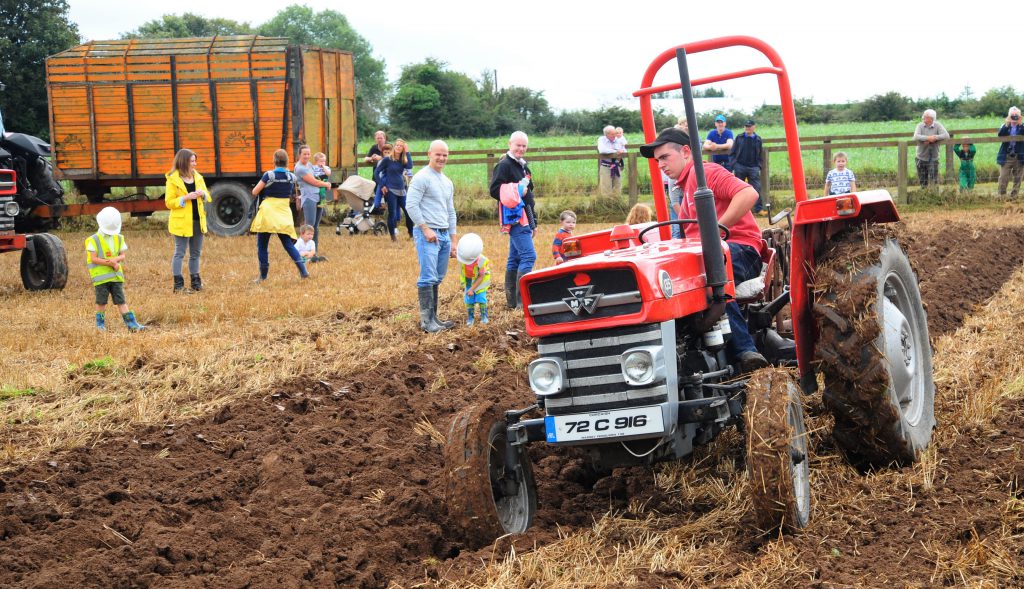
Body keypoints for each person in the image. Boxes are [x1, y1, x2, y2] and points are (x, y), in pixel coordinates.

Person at [640, 127, 769, 373]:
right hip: (713, 254)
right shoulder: (683, 187)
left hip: (740, 248)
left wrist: (717, 230)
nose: (660, 166)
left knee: (712, 274)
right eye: (657, 161)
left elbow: (748, 192)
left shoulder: (706, 173)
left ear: (686, 152)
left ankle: (745, 352)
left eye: (665, 157)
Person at [407, 140, 458, 333]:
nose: (442, 158)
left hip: (444, 235)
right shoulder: (421, 178)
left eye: (445, 155)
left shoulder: (446, 182)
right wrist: (425, 228)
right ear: (429, 154)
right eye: (438, 154)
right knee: (427, 277)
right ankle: (427, 321)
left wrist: (454, 240)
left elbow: (451, 211)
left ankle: (434, 318)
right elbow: (411, 205)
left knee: (438, 277)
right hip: (428, 234)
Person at [489, 131, 537, 309]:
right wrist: (516, 190)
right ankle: (521, 303)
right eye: (518, 145)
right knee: (529, 256)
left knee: (515, 258)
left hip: (526, 216)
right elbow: (494, 190)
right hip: (515, 217)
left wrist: (534, 222)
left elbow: (529, 195)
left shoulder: (523, 166)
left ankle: (512, 302)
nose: (521, 149)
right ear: (510, 144)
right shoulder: (504, 165)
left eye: (524, 146)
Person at [251, 149, 308, 282]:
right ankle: (303, 270)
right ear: (286, 161)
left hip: (268, 212)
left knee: (262, 245)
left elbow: (255, 192)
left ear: (274, 161)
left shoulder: (268, 175)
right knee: (288, 244)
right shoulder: (291, 177)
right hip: (283, 212)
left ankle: (263, 276)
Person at [86, 207, 145, 332]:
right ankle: (100, 325)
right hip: (101, 279)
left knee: (121, 300)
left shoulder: (119, 238)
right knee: (101, 302)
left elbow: (123, 255)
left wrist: (115, 260)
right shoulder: (93, 240)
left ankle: (132, 324)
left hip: (116, 277)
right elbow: (93, 259)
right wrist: (111, 263)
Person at [164, 148, 210, 293]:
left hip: (198, 221)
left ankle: (196, 283)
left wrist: (202, 194)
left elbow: (208, 195)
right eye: (192, 161)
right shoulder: (173, 179)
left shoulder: (198, 177)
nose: (195, 164)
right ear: (184, 162)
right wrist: (184, 198)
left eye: (195, 160)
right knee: (180, 253)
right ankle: (178, 285)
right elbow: (169, 202)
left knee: (196, 253)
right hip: (182, 222)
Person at [293, 145, 332, 262]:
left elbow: (320, 175)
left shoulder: (310, 165)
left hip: (318, 197)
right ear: (299, 154)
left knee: (315, 227)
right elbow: (313, 181)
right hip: (309, 198)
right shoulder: (300, 168)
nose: (307, 156)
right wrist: (326, 184)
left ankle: (313, 254)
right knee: (309, 227)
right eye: (304, 154)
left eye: (308, 154)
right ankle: (303, 255)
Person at [379, 138, 415, 241]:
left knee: (408, 212)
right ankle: (393, 237)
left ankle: (411, 234)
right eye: (397, 145)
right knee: (393, 214)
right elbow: (377, 172)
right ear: (394, 147)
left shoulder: (403, 160)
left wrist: (407, 152)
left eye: (401, 146)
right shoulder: (387, 160)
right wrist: (382, 185)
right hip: (390, 190)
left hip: (401, 189)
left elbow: (410, 166)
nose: (399, 147)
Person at [731, 119, 765, 214]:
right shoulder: (739, 138)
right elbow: (733, 152)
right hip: (740, 167)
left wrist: (759, 166)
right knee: (739, 190)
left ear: (754, 127)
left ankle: (758, 210)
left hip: (753, 167)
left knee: (756, 188)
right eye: (746, 126)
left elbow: (760, 154)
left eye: (749, 126)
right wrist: (734, 165)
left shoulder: (758, 139)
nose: (747, 128)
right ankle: (739, 210)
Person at [456, 233, 491, 326]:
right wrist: (469, 288)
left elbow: (481, 276)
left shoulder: (482, 261)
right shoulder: (463, 255)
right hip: (469, 281)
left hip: (480, 283)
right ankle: (470, 318)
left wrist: (472, 289)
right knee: (469, 300)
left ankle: (484, 317)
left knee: (481, 298)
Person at [912, 109, 949, 188]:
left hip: (934, 157)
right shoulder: (920, 125)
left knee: (934, 179)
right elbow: (915, 137)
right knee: (923, 180)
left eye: (925, 116)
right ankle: (924, 195)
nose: (923, 117)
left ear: (931, 118)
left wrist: (935, 137)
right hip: (920, 157)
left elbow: (946, 135)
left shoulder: (938, 125)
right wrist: (928, 138)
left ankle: (934, 196)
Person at [997, 107, 1024, 198]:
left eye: (1016, 116)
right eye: (1012, 115)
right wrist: (1007, 123)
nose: (1014, 118)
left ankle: (1014, 196)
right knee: (1003, 177)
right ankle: (1002, 196)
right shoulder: (1004, 126)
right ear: (1009, 115)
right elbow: (1000, 134)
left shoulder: (1022, 126)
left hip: (1019, 156)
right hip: (1006, 155)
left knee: (1018, 177)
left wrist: (1020, 124)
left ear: (1020, 116)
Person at [597, 125, 625, 196]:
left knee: (617, 187)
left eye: (615, 133)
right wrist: (615, 151)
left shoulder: (618, 139)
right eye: (612, 134)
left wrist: (619, 151)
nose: (615, 135)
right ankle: (607, 205)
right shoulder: (602, 139)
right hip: (606, 166)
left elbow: (624, 150)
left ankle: (617, 204)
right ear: (606, 134)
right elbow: (602, 150)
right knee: (606, 188)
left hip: (617, 165)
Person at [371, 143, 393, 213]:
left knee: (390, 197)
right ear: (382, 153)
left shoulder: (394, 161)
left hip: (391, 182)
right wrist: (381, 182)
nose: (386, 154)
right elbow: (378, 173)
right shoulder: (381, 161)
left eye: (388, 152)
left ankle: (392, 212)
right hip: (382, 180)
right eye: (385, 152)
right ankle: (376, 206)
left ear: (392, 152)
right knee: (379, 192)